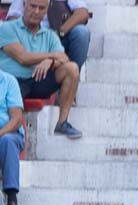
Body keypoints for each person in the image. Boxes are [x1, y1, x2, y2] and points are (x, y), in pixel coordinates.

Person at [0, 0, 82, 139]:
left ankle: (62, 123)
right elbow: (23, 58)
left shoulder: (50, 35)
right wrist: (51, 55)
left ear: (46, 10)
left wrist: (50, 61)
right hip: (12, 82)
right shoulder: (7, 28)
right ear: (24, 4)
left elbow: (63, 58)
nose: (36, 11)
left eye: (41, 8)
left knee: (72, 68)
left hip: (37, 79)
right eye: (33, 6)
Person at [4, 0, 90, 69]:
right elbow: (13, 17)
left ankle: (72, 76)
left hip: (59, 35)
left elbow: (82, 12)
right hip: (31, 37)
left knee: (82, 32)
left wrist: (61, 31)